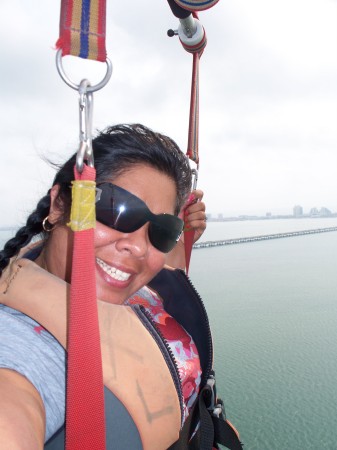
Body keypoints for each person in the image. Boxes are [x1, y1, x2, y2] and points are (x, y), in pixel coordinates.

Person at [0, 124, 241, 450]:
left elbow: (163, 269)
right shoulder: (22, 347)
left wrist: (179, 238)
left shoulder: (134, 280)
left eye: (160, 230)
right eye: (117, 210)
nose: (140, 248)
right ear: (59, 206)